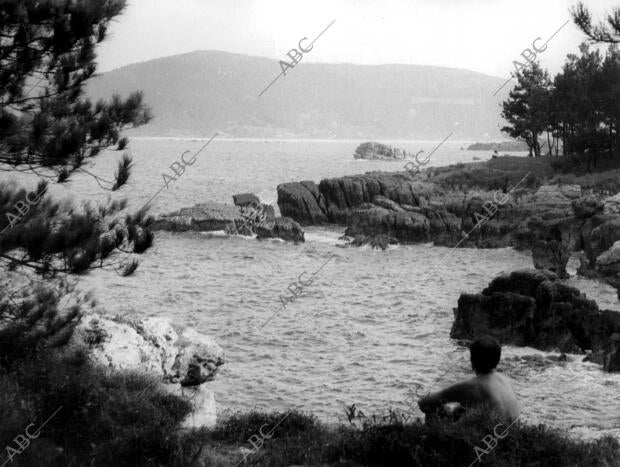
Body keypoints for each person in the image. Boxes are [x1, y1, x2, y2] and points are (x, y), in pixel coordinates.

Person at [418, 336, 520, 422]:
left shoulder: (473, 386)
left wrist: (446, 409)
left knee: (434, 410)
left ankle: (432, 444)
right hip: (512, 438)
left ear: (472, 361)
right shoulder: (507, 381)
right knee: (461, 410)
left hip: (488, 442)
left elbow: (424, 403)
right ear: (498, 360)